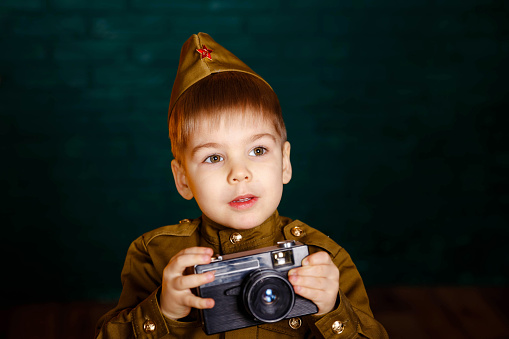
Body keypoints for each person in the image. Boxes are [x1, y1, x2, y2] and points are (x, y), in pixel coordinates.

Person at [95, 32, 388, 338]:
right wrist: (164, 310)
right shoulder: (154, 256)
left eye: (258, 151)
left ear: (285, 163)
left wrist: (332, 310)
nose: (239, 173)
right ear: (183, 179)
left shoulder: (322, 258)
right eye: (213, 157)